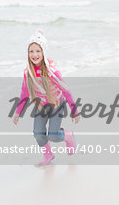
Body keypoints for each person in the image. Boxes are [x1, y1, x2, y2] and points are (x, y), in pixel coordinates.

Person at [13, 29, 80, 166]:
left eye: (38, 51)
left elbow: (66, 91)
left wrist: (74, 111)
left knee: (53, 136)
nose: (34, 54)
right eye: (31, 51)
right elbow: (24, 93)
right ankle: (48, 155)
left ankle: (68, 136)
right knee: (38, 133)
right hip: (41, 105)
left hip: (56, 104)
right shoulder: (28, 73)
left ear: (43, 52)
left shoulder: (52, 72)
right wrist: (18, 112)